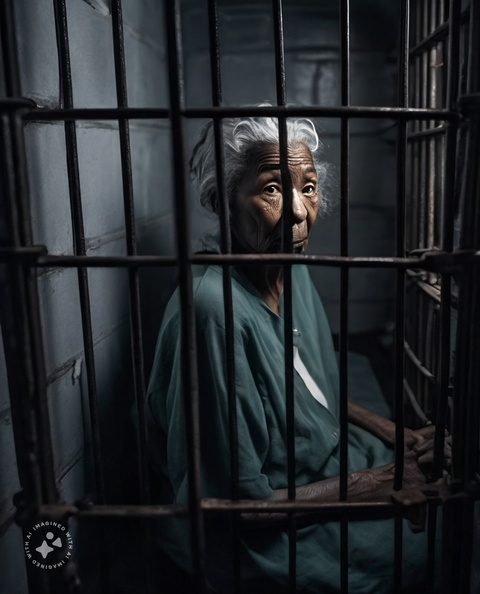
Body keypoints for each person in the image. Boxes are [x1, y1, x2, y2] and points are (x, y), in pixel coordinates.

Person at [146, 109, 444, 593]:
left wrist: (394, 432)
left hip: (323, 463)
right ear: (223, 201)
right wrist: (380, 480)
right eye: (271, 189)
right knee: (422, 551)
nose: (300, 212)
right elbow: (232, 506)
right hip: (261, 528)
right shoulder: (214, 312)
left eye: (307, 187)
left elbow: (300, 386)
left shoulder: (286, 261)